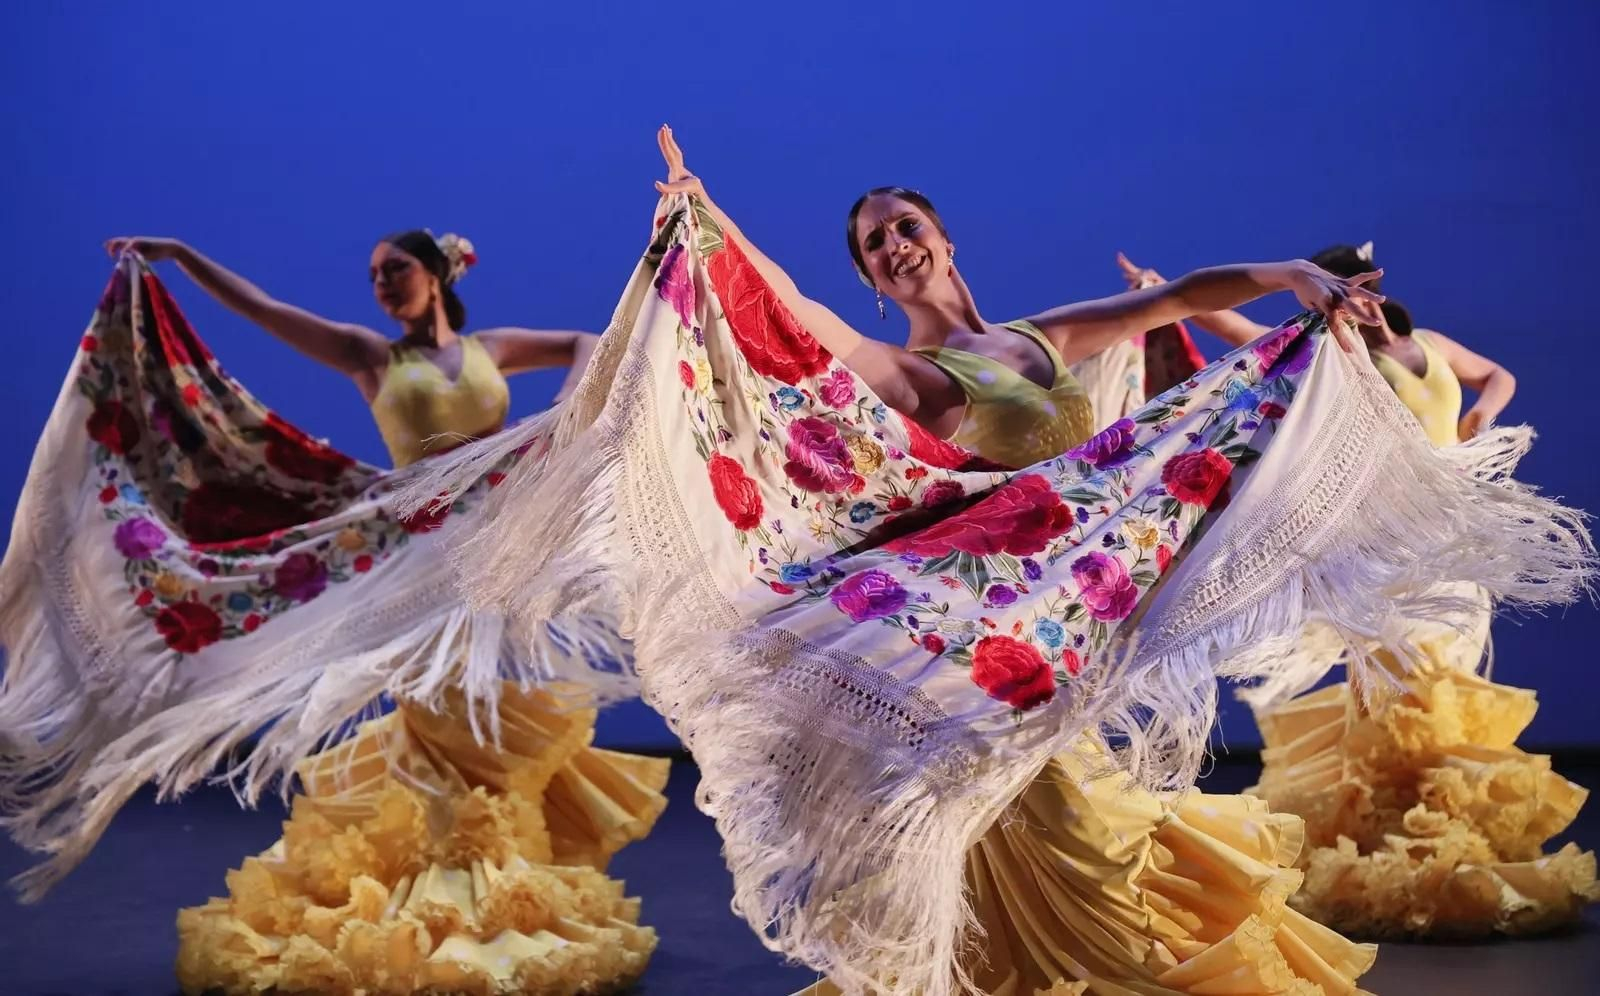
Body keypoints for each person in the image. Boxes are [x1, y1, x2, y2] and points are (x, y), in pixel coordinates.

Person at [85, 231, 670, 993]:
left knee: (489, 721)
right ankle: (437, 903)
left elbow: (590, 340)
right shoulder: (374, 357)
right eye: (372, 276)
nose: (382, 285)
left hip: (493, 558)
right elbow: (264, 309)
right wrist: (184, 257)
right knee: (441, 716)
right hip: (421, 562)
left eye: (395, 269)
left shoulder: (490, 348)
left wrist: (563, 409)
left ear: (435, 275)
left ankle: (482, 892)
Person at [1117, 245, 1597, 938]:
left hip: (1451, 528)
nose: (1360, 302)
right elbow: (1234, 332)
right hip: (1388, 536)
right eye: (1344, 293)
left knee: (1453, 679)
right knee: (1405, 682)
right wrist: (1163, 293)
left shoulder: (1424, 342)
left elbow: (1496, 374)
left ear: (1376, 292)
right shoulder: (1337, 361)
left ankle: (1448, 840)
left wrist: (1482, 415)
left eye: (1365, 290)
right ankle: (1396, 848)